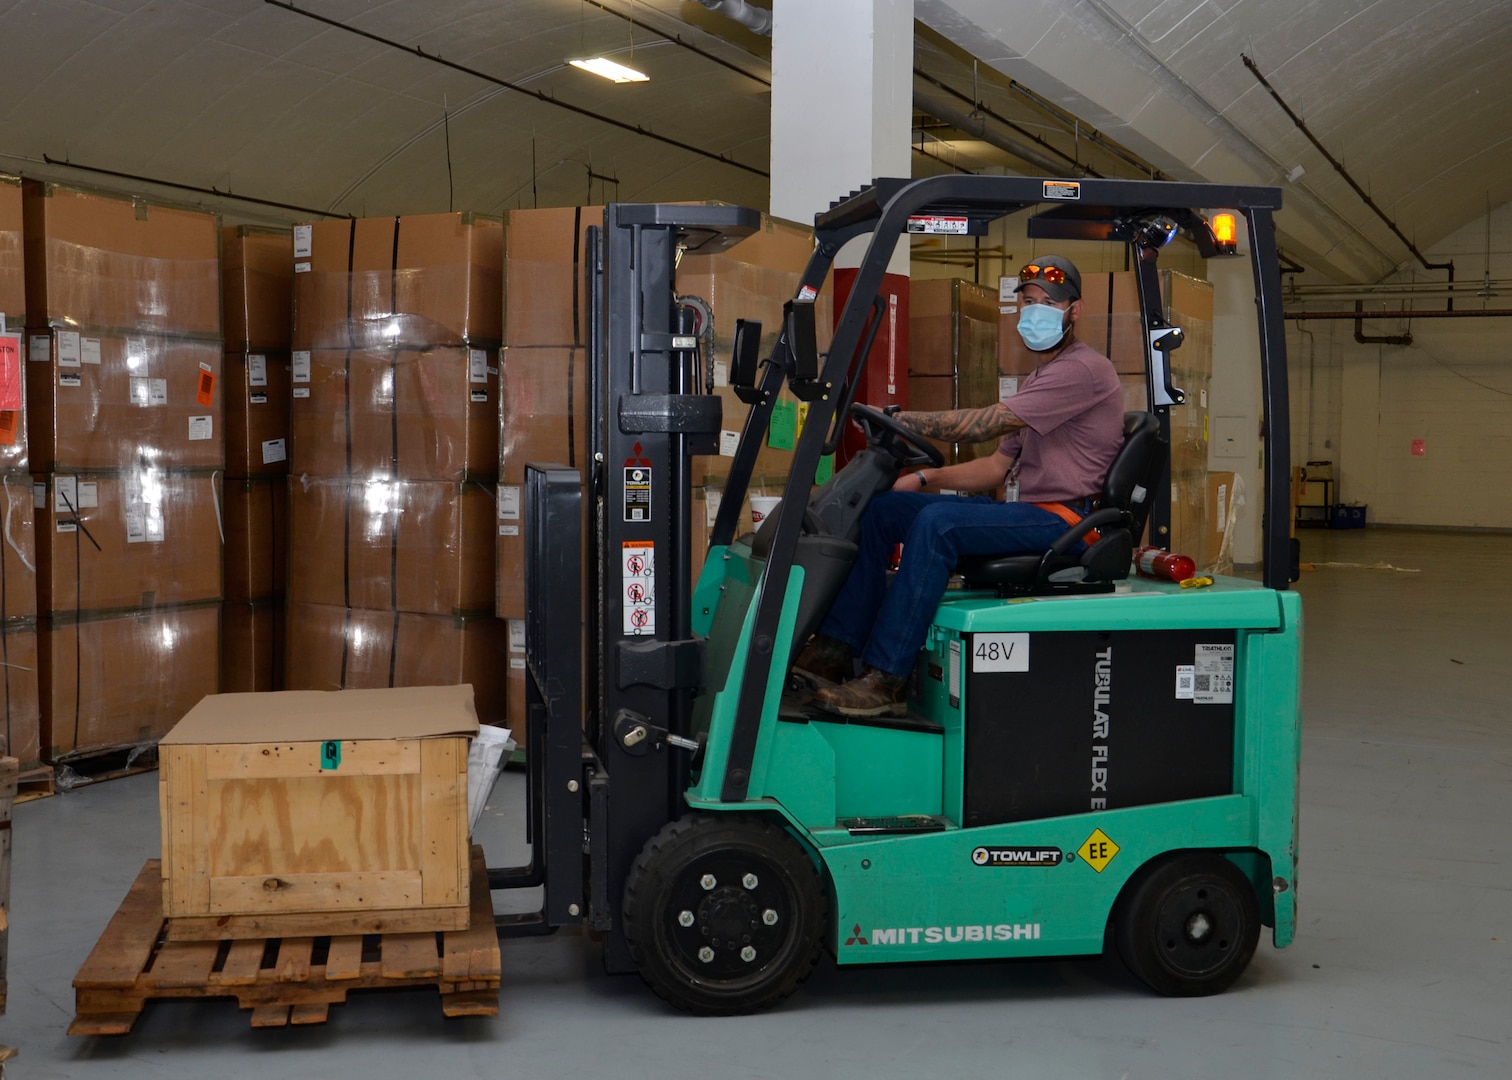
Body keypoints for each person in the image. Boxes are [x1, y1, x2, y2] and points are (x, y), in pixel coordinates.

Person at [797, 255, 1126, 717]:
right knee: (881, 509)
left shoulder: (1084, 370)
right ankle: (833, 649)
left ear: (1075, 310)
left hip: (1067, 520)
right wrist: (922, 478)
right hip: (1032, 514)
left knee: (940, 522)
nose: (1035, 311)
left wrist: (903, 416)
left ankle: (886, 677)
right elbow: (994, 467)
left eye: (1048, 303)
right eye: (1028, 302)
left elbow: (983, 426)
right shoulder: (1040, 379)